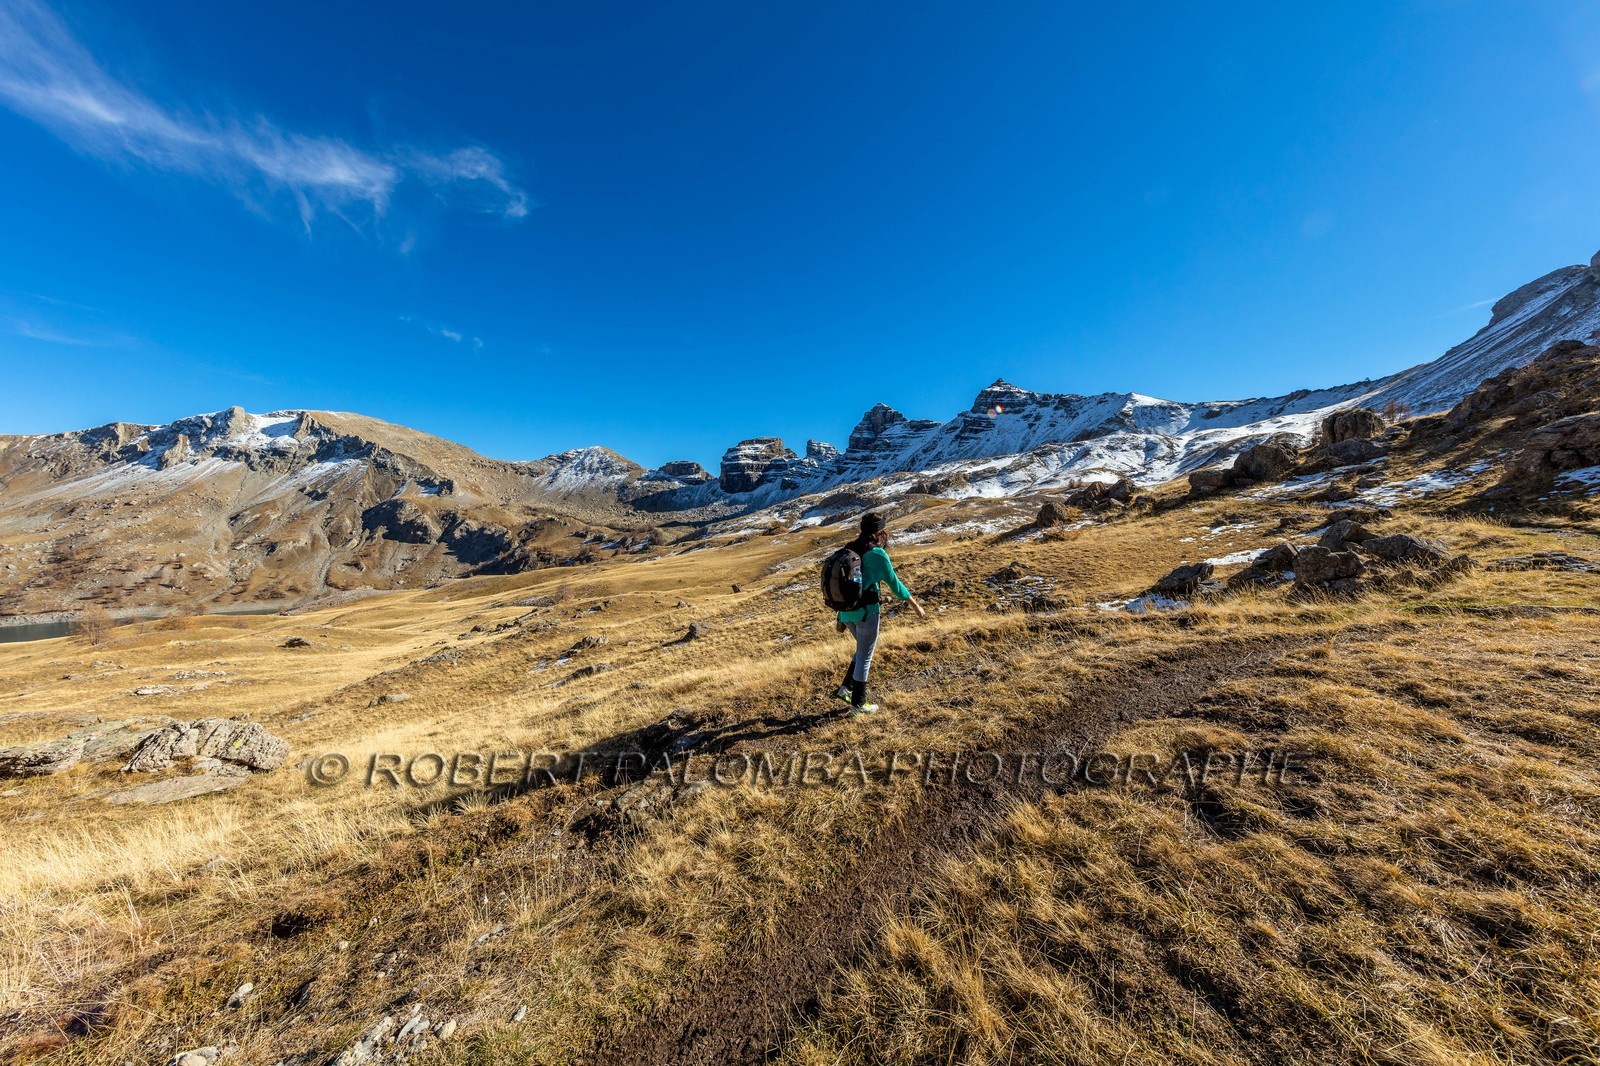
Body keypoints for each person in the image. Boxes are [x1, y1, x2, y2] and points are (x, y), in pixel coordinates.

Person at [833, 511, 924, 714]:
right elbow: (895, 584)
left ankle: (846, 688)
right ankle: (858, 704)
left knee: (861, 650)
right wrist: (915, 605)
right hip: (866, 612)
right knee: (865, 656)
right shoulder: (877, 554)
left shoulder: (850, 548)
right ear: (879, 532)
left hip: (846, 613)